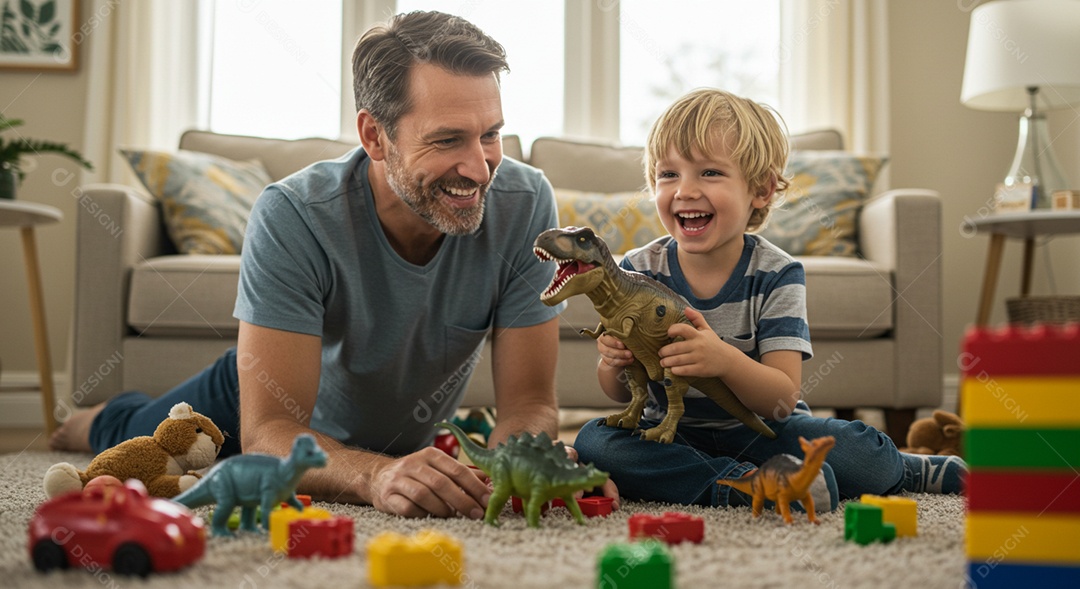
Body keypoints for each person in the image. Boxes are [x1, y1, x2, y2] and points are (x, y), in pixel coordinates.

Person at [50, 10, 609, 519]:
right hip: (257, 402)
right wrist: (376, 475)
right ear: (375, 136)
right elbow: (269, 431)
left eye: (490, 134)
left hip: (393, 432)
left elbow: (530, 404)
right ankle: (100, 416)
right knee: (146, 444)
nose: (480, 168)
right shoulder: (293, 214)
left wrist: (519, 464)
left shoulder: (526, 203)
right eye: (447, 140)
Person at [573, 89, 966, 511]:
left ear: (760, 190)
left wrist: (723, 360)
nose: (684, 190)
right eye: (668, 174)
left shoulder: (777, 273)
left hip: (767, 432)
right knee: (595, 443)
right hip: (672, 433)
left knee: (858, 452)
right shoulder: (638, 268)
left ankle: (907, 470)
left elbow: (781, 399)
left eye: (709, 172)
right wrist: (613, 362)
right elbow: (619, 395)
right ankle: (739, 485)